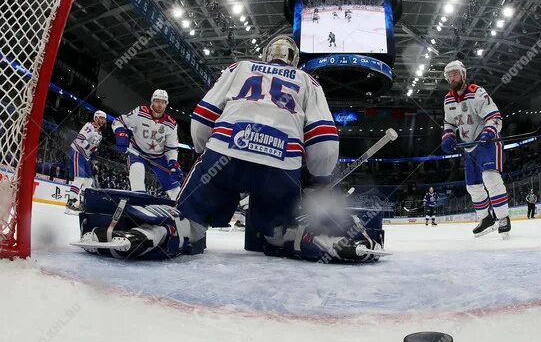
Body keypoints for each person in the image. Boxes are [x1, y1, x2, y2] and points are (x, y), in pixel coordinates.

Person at [76, 36, 383, 262]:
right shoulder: (308, 81)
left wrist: (202, 152)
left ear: (265, 55)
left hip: (225, 153)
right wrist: (317, 178)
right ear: (294, 60)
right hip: (280, 165)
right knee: (279, 229)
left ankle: (149, 234)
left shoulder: (241, 67)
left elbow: (203, 117)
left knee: (189, 218)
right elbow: (325, 141)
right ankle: (325, 241)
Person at [441, 60, 511, 238]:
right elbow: (449, 122)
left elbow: (494, 116)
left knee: (490, 178)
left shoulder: (477, 92)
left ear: (463, 75)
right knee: (473, 186)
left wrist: (488, 132)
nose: (451, 77)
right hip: (469, 147)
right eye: (449, 75)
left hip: (486, 143)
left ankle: (503, 218)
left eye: (455, 73)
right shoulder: (448, 99)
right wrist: (448, 136)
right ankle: (485, 218)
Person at [111, 89, 182, 200]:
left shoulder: (171, 124)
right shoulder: (140, 112)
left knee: (175, 189)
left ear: (166, 104)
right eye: (157, 101)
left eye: (163, 102)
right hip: (137, 152)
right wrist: (120, 133)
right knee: (137, 170)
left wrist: (173, 163)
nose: (160, 104)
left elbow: (172, 147)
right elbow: (119, 121)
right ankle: (139, 201)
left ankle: (181, 212)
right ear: (152, 101)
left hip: (159, 157)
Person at [65, 110, 106, 213]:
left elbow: (94, 149)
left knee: (89, 181)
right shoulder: (89, 126)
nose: (104, 120)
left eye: (104, 119)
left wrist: (95, 163)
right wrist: (90, 148)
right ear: (96, 118)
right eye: (102, 118)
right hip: (77, 152)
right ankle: (70, 203)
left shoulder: (99, 134)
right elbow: (79, 139)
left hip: (86, 157)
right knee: (79, 179)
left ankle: (83, 204)